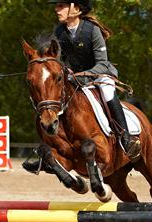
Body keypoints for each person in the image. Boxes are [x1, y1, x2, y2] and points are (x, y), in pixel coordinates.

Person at [47, 0, 140, 160]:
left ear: (75, 9)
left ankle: (125, 137)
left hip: (99, 76)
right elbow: (57, 59)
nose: (57, 9)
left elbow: (102, 63)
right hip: (74, 79)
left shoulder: (92, 31)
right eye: (57, 6)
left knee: (108, 91)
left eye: (61, 6)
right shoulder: (59, 32)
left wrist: (83, 75)